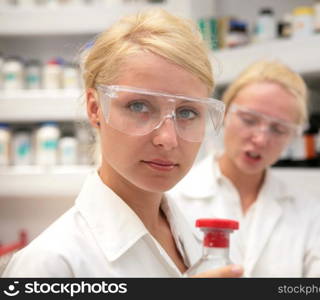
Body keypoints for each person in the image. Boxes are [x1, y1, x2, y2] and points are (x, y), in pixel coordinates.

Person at [2, 9, 243, 278]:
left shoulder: (194, 242)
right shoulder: (50, 265)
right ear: (95, 109)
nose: (167, 139)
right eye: (139, 106)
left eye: (187, 112)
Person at [169, 60, 320, 278]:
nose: (260, 138)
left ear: (293, 137)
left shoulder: (308, 212)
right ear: (224, 114)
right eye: (249, 119)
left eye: (278, 129)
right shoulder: (172, 198)